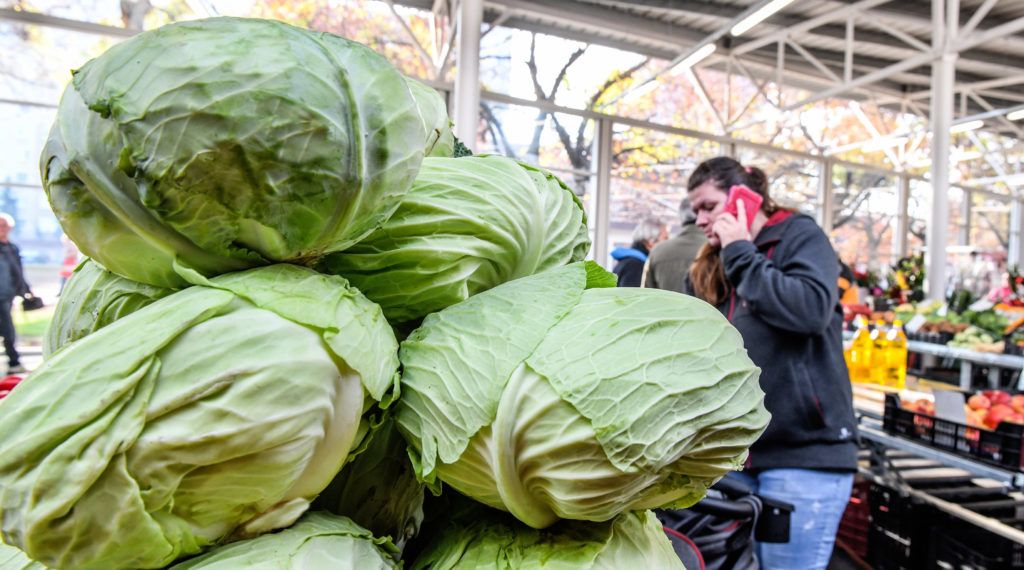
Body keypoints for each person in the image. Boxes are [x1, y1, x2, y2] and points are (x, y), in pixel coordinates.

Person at [684, 157, 857, 570]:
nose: (701, 219)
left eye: (709, 206)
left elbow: (810, 310)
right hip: (736, 458)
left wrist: (741, 250)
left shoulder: (800, 236)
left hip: (805, 457)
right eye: (695, 212)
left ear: (745, 197)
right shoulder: (713, 262)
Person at [643, 196, 705, 293]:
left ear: (680, 216)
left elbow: (645, 297)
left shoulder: (657, 252)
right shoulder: (719, 249)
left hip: (664, 308)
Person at [0, 213, 30, 373]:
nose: (1, 228)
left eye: (4, 225)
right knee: (7, 328)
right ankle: (13, 362)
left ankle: (13, 362)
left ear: (10, 228)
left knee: (7, 328)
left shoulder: (12, 248)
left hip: (7, 294)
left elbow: (17, 270)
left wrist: (26, 289)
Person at [611, 219, 667, 287]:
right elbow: (632, 297)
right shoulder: (635, 266)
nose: (668, 243)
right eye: (665, 239)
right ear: (651, 241)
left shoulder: (628, 261)